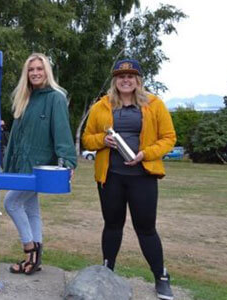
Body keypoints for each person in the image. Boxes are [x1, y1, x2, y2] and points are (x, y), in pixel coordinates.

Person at [82, 59, 176, 300]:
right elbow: (87, 138)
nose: (126, 80)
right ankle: (106, 272)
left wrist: (147, 153)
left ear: (138, 80)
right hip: (110, 177)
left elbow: (168, 138)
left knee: (146, 228)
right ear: (115, 80)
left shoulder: (155, 104)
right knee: (112, 226)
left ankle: (161, 276)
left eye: (131, 76)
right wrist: (102, 141)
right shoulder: (101, 106)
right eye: (121, 76)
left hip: (142, 177)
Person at [3, 53, 77, 275]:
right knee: (31, 208)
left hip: (40, 166)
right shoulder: (24, 97)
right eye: (31, 69)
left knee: (11, 202)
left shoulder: (56, 97)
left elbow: (62, 131)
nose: (35, 73)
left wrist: (68, 162)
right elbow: (18, 136)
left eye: (39, 69)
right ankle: (35, 261)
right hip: (22, 164)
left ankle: (30, 249)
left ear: (47, 72)